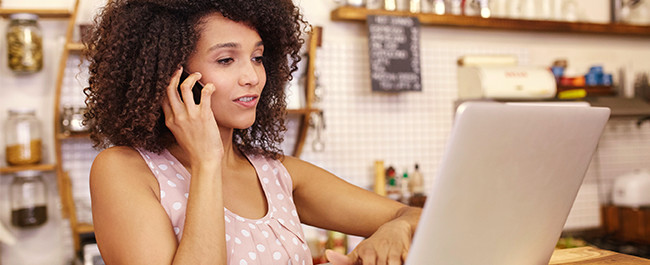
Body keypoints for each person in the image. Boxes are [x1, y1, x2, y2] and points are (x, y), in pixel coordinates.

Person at [84, 0, 422, 264]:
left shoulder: (276, 173)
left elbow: (417, 216)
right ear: (170, 75)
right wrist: (207, 162)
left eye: (257, 57)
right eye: (226, 60)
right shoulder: (123, 171)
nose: (252, 77)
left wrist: (398, 228)